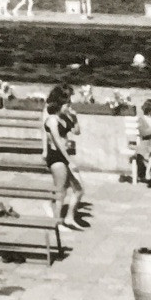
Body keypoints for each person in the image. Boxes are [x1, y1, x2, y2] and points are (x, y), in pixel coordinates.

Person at [44, 93, 84, 231]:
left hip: (64, 157)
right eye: (67, 105)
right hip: (56, 157)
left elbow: (77, 132)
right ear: (59, 105)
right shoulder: (52, 120)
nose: (69, 107)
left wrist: (74, 117)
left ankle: (69, 218)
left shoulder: (65, 118)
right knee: (61, 191)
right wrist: (70, 161)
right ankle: (57, 223)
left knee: (78, 190)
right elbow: (57, 141)